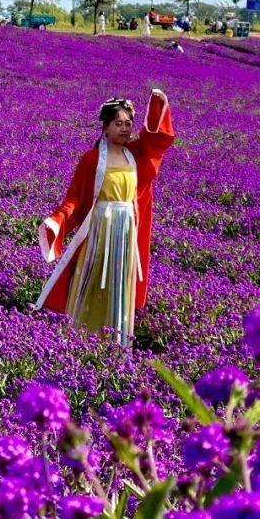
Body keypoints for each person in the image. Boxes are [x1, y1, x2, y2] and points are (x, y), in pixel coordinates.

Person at [35, 91, 174, 346]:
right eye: (118, 124)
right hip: (99, 230)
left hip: (125, 231)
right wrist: (57, 220)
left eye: (128, 124)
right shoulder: (92, 158)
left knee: (119, 285)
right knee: (93, 278)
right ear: (106, 127)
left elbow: (156, 141)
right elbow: (75, 197)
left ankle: (116, 343)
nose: (124, 129)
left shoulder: (135, 155)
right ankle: (80, 336)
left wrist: (156, 105)